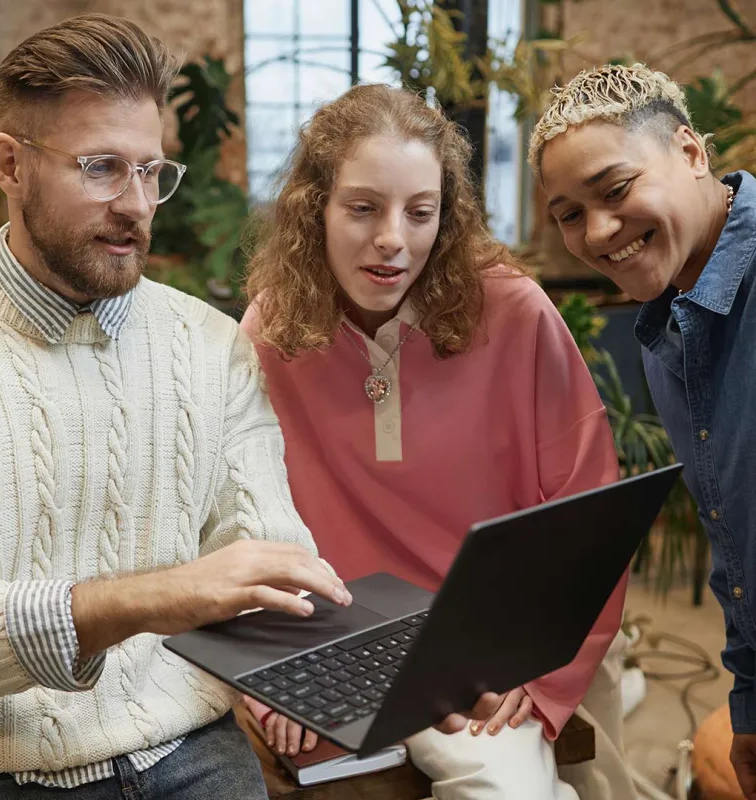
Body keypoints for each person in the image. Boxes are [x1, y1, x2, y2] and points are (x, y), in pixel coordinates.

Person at [0, 14, 357, 799]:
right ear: (9, 164)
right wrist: (151, 597)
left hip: (190, 744)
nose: (137, 205)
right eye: (102, 168)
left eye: (151, 172)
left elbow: (266, 546)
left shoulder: (211, 345)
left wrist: (383, 665)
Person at [240, 83, 630, 800]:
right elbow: (235, 515)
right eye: (363, 208)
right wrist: (269, 677)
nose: (394, 237)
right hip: (333, 649)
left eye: (421, 213)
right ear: (313, 208)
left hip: (481, 655)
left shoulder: (514, 312)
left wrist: (539, 672)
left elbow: (592, 514)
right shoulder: (271, 328)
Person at [531, 62, 756, 798]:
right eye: (569, 214)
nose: (598, 232)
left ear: (692, 153)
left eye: (617, 189)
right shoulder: (667, 332)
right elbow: (736, 545)